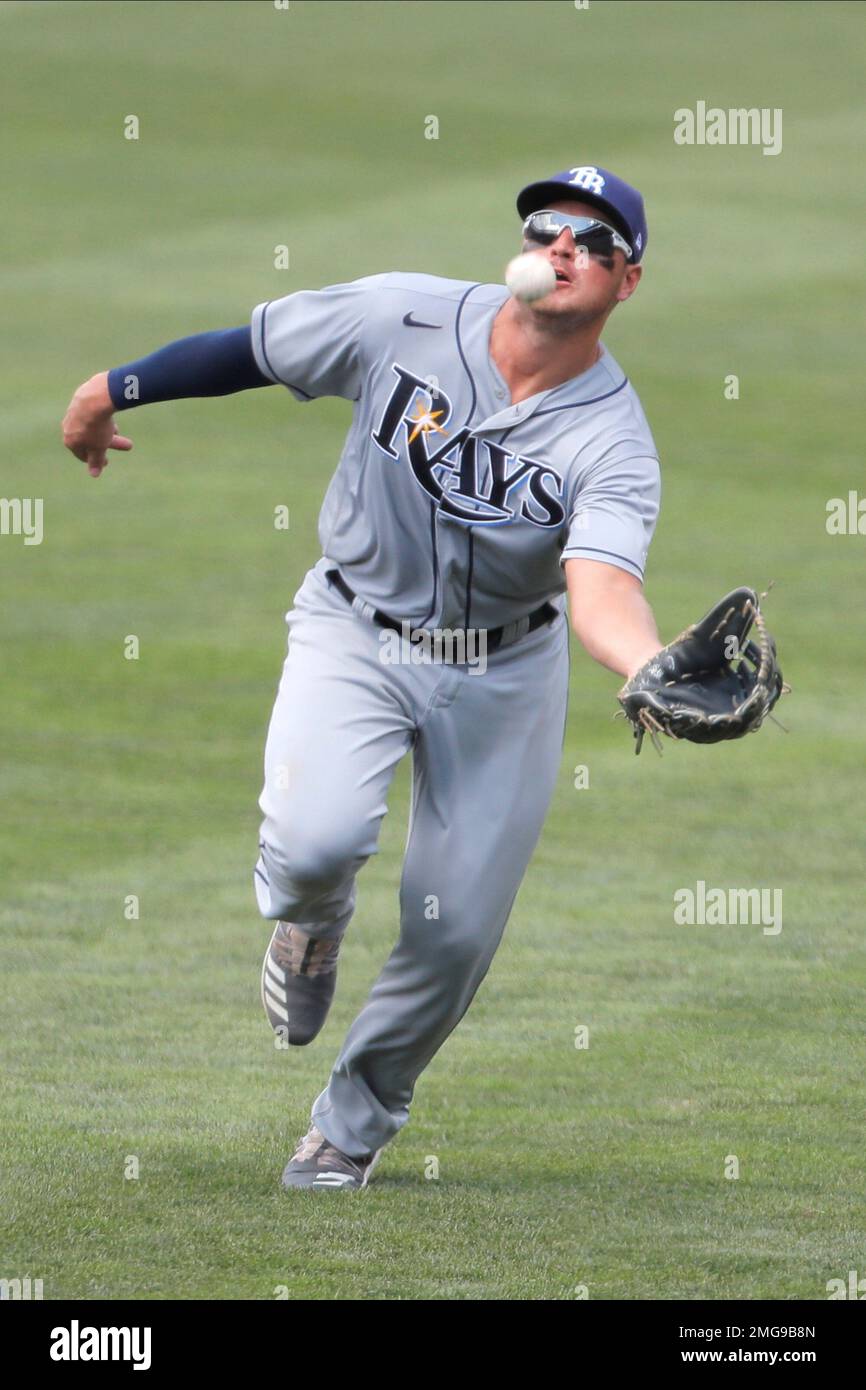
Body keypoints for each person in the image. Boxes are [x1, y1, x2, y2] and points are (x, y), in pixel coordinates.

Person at [62, 165, 664, 1190]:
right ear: (521, 246)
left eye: (594, 241)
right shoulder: (401, 317)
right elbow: (248, 350)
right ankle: (313, 921)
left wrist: (648, 664)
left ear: (625, 282)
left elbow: (599, 588)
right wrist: (108, 389)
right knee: (310, 846)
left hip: (503, 669)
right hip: (354, 630)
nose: (564, 244)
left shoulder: (612, 440)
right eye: (546, 226)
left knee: (456, 929)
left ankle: (350, 1122)